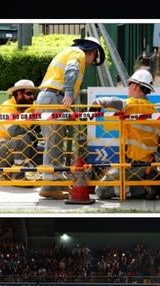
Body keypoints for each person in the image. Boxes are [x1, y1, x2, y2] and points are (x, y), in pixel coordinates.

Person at [36, 36, 105, 199]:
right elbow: (71, 70)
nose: (92, 61)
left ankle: (56, 181)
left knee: (54, 142)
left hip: (48, 98)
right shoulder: (78, 53)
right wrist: (68, 92)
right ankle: (49, 184)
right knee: (54, 143)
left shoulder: (69, 52)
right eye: (94, 56)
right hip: (55, 98)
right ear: (93, 52)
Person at [92, 69, 160, 200]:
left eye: (129, 85)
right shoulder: (155, 111)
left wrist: (97, 102)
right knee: (119, 183)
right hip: (148, 163)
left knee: (101, 191)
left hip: (133, 164)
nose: (128, 88)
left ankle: (146, 189)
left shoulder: (133, 104)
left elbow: (114, 102)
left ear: (135, 86)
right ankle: (149, 182)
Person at [0, 79, 40, 180]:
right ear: (19, 94)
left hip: (13, 147)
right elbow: (14, 131)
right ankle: (18, 177)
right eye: (29, 93)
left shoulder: (29, 106)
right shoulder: (8, 107)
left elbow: (45, 111)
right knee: (23, 139)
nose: (32, 97)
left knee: (43, 152)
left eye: (33, 94)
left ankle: (47, 181)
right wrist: (31, 133)